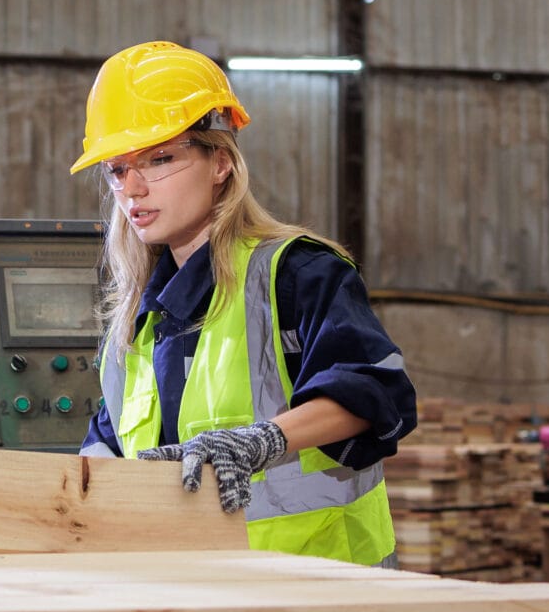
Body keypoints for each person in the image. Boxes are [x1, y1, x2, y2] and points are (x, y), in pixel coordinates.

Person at [76, 41, 417, 564]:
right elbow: (107, 442)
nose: (133, 189)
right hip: (196, 600)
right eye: (118, 170)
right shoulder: (139, 319)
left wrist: (263, 441)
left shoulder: (297, 273)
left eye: (160, 158)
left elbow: (375, 390)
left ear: (220, 163)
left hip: (323, 601)